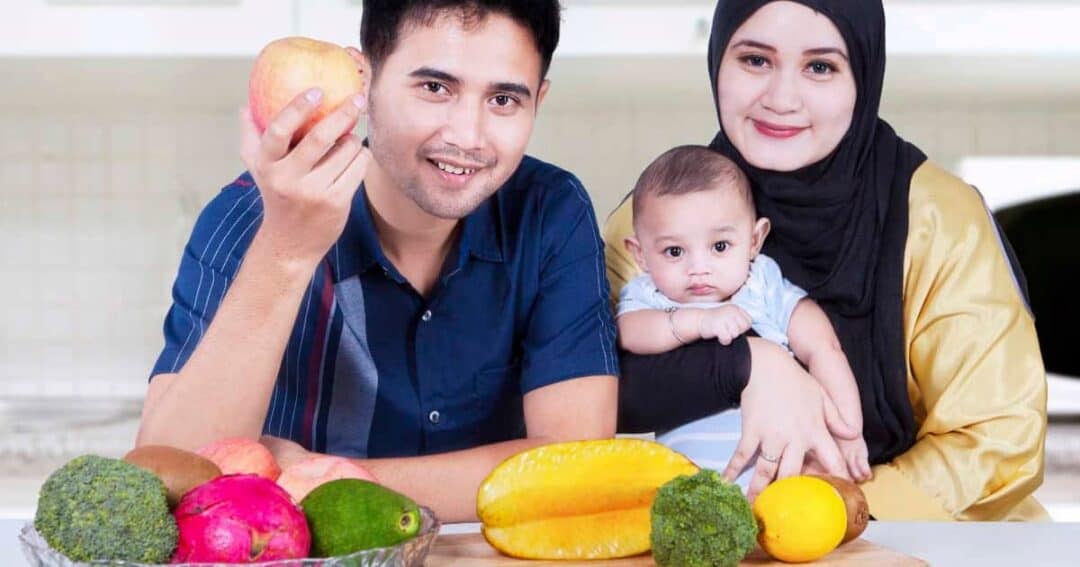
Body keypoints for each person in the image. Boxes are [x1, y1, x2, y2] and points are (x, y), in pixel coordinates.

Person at [136, 0, 618, 522]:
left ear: (538, 101)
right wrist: (286, 251)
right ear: (362, 80)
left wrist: (316, 479)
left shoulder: (549, 212)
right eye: (434, 88)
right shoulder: (252, 215)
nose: (466, 136)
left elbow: (577, 466)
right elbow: (166, 481)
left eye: (503, 100)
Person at [604, 0, 1048, 520]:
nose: (782, 99)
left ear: (863, 75)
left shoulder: (938, 217)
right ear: (717, 61)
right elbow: (593, 391)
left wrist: (834, 509)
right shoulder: (654, 222)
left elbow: (998, 437)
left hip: (925, 536)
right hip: (723, 533)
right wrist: (748, 365)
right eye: (755, 60)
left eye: (820, 66)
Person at [615, 145, 869, 481]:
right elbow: (629, 333)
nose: (698, 268)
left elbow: (824, 347)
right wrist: (698, 322)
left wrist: (849, 433)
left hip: (785, 464)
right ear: (641, 255)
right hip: (694, 476)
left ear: (754, 240)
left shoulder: (762, 283)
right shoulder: (650, 294)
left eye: (720, 246)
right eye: (674, 251)